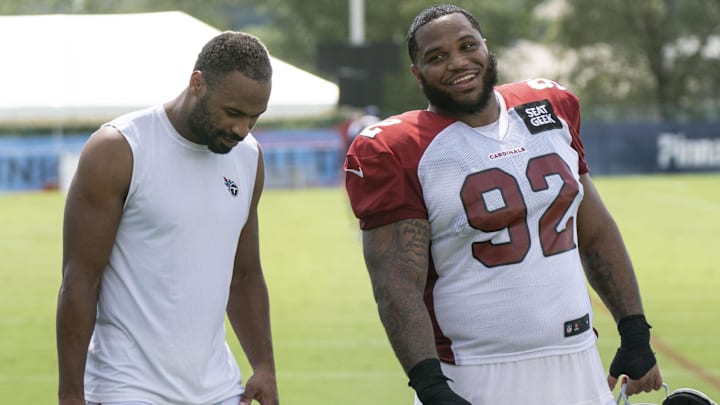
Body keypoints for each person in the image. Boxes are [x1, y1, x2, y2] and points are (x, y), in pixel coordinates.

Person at [343, 4, 663, 404]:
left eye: (467, 45)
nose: (458, 62)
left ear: (486, 48)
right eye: (437, 57)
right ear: (417, 73)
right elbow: (396, 286)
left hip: (577, 358)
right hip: (472, 371)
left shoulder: (549, 107)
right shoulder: (397, 149)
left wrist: (634, 332)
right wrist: (430, 385)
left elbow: (595, 233)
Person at [56, 31, 279, 405]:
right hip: (126, 390)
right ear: (197, 83)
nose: (242, 129)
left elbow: (243, 276)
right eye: (233, 113)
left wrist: (264, 366)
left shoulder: (249, 158)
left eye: (254, 118)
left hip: (221, 391)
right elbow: (80, 280)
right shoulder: (119, 150)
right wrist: (70, 395)